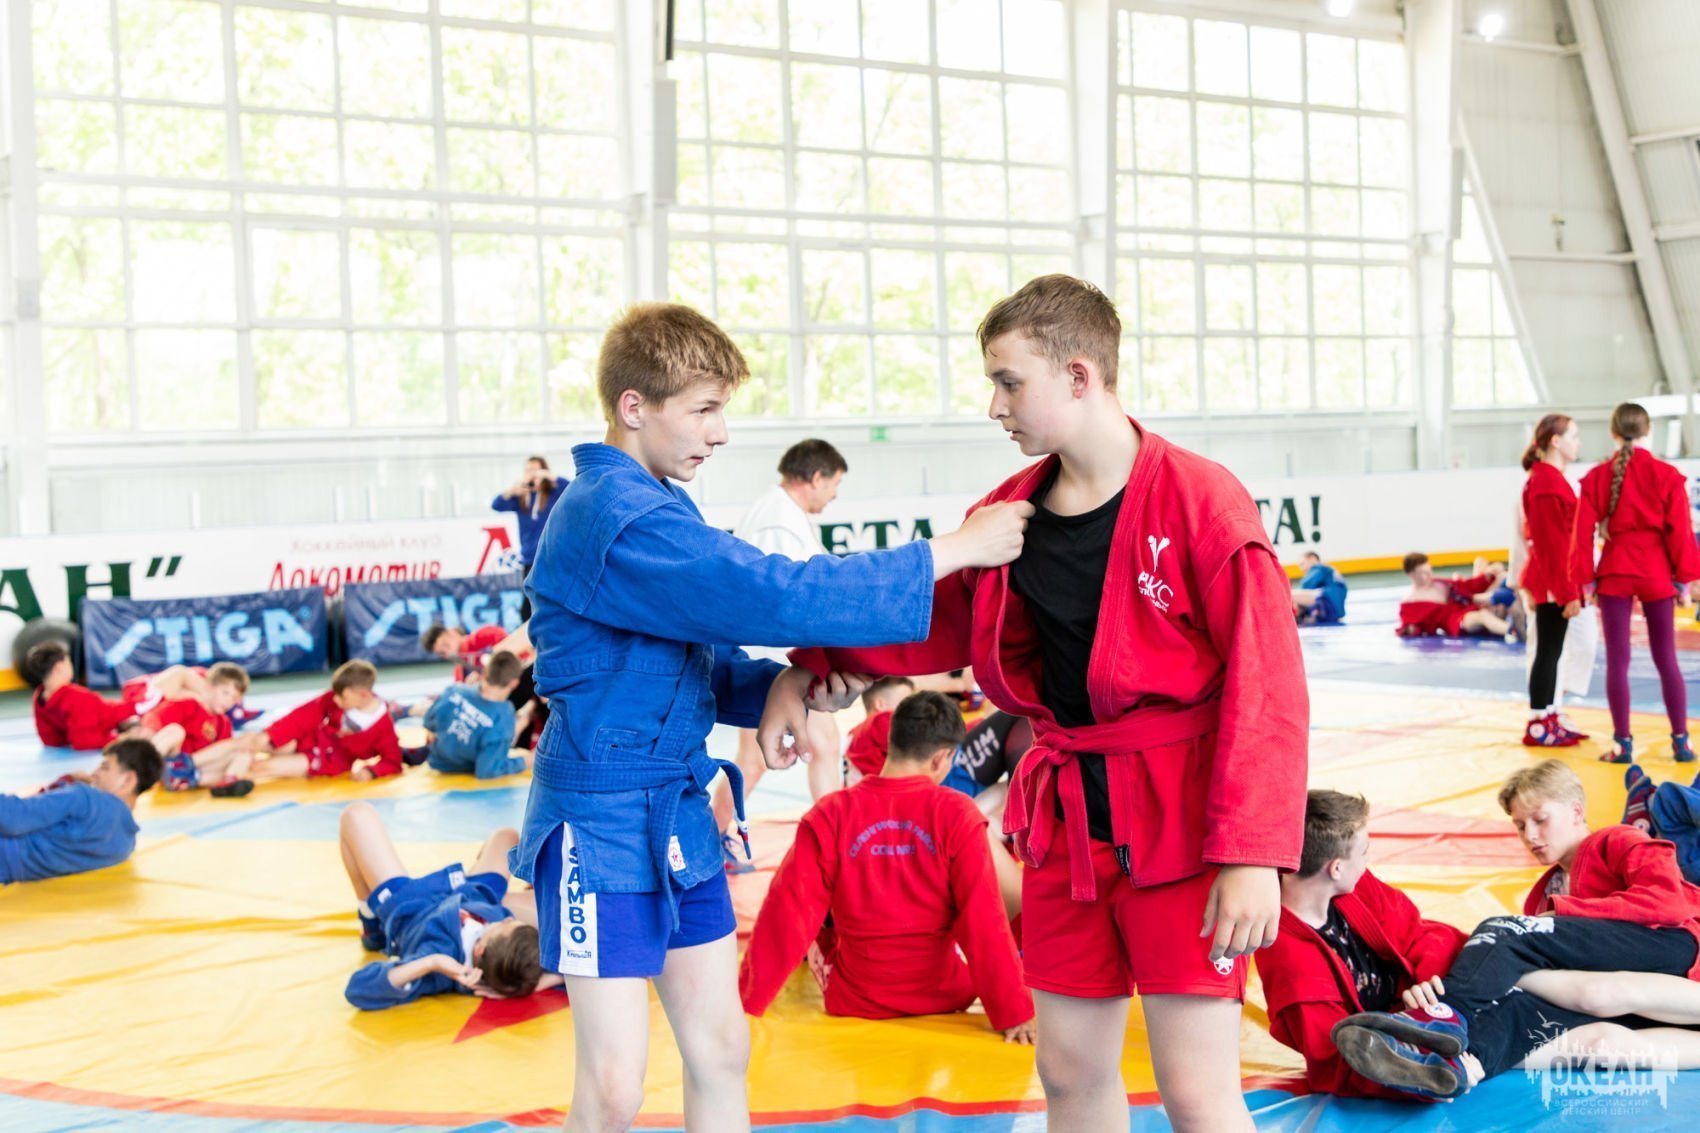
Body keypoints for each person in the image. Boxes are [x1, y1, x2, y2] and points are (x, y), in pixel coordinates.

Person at [791, 275, 1308, 1133]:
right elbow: (927, 619)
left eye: (1008, 381)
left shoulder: (1199, 500)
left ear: (1078, 375)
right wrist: (812, 668)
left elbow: (1270, 687)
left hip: (1181, 823)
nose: (994, 405)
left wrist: (1253, 854)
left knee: (1195, 1090)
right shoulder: (1007, 515)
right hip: (1068, 828)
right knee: (1066, 1075)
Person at [511, 301, 1031, 1133]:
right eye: (704, 410)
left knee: (721, 1048)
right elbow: (770, 592)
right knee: (611, 1086)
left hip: (676, 808)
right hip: (598, 819)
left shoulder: (658, 501)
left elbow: (684, 663)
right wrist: (953, 550)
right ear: (634, 406)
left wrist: (786, 685)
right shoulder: (611, 512)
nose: (720, 434)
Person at [1334, 759, 1700, 1098]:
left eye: (1540, 819)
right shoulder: (1542, 896)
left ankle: (1443, 1015)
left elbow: (1668, 903)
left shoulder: (1619, 840)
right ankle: (1456, 1065)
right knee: (1520, 1008)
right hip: (1636, 986)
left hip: (1675, 944)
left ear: (1576, 812)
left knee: (1504, 931)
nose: (1530, 835)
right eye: (1520, 825)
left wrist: (1560, 915)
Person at [739, 691, 1034, 1041]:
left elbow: (787, 912)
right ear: (942, 758)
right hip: (944, 992)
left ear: (892, 743)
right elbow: (983, 919)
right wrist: (1014, 1012)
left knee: (810, 916)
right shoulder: (958, 813)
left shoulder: (830, 814)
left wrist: (745, 1000)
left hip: (855, 997)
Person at [709, 439, 853, 847]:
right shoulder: (777, 521)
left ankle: (714, 834)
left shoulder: (781, 513)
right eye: (834, 484)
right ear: (817, 477)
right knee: (792, 752)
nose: (834, 494)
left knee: (805, 749)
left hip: (778, 662)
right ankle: (837, 842)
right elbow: (784, 598)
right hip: (776, 663)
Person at [1570, 402, 1700, 764]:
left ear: (1613, 433)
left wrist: (1585, 582)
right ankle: (1681, 743)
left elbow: (1581, 534)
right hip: (1656, 572)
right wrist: (1685, 581)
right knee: (1666, 658)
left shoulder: (1598, 477)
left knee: (1618, 661)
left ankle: (1622, 744)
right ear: (1648, 431)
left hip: (1616, 571)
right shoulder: (1667, 475)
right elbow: (1680, 534)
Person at [338, 801, 556, 1010]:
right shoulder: (513, 954)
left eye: (503, 925)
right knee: (506, 837)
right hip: (476, 893)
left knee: (356, 815)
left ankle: (370, 923)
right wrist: (535, 983)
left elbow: (358, 989)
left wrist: (431, 962)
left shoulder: (441, 957)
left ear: (479, 949)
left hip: (411, 902)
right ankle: (488, 882)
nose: (508, 918)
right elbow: (569, 966)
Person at [174, 660, 405, 793]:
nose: (336, 700)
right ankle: (186, 763)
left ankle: (193, 778)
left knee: (258, 767)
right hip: (309, 739)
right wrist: (269, 735)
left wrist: (371, 771)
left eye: (342, 698)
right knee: (249, 742)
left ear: (363, 694)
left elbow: (392, 760)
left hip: (327, 761)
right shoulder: (334, 698)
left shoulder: (382, 725)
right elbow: (301, 717)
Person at [0, 738, 162, 883]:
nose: (94, 773)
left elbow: (13, 818)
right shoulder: (125, 845)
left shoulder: (85, 798)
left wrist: (67, 789)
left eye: (105, 767)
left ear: (127, 780)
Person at [1519, 414, 1587, 746]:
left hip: (1553, 578)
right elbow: (1551, 545)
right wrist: (1566, 591)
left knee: (1552, 650)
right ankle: (1538, 720)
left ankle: (1548, 715)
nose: (1579, 443)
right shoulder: (1546, 483)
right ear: (1556, 441)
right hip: (1551, 580)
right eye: (1573, 436)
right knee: (1548, 650)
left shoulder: (1550, 479)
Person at [422, 650, 530, 779]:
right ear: (514, 683)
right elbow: (487, 771)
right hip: (459, 773)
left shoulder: (455, 690)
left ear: (485, 672)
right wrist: (526, 761)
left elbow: (428, 722)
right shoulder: (503, 718)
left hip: (435, 760)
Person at [24, 640, 141, 750]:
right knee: (137, 717)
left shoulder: (40, 697)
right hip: (118, 716)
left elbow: (50, 739)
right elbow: (85, 741)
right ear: (59, 667)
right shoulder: (77, 697)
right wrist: (121, 739)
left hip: (112, 714)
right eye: (68, 662)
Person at [137, 662, 249, 759]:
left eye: (234, 698)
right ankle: (147, 764)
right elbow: (154, 718)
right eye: (225, 693)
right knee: (175, 732)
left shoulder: (224, 724)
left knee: (240, 755)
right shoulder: (189, 705)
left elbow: (221, 754)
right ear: (209, 687)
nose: (229, 701)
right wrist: (149, 736)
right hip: (170, 757)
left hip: (195, 767)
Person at [1395, 553, 1511, 638]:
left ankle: (1510, 625)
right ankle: (1512, 631)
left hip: (1470, 605)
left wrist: (1485, 576)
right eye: (1424, 573)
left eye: (1429, 571)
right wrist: (1412, 629)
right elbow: (1413, 628)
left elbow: (1467, 587)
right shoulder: (1410, 602)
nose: (1429, 575)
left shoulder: (1438, 583)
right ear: (1412, 575)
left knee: (1501, 576)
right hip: (1457, 619)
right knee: (1482, 615)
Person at [493, 455, 561, 580]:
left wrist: (548, 475)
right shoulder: (522, 498)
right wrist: (512, 491)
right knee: (529, 591)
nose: (532, 474)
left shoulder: (552, 494)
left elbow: (569, 486)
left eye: (535, 470)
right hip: (529, 558)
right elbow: (497, 505)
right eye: (528, 470)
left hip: (550, 557)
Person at [842, 676, 917, 785]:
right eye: (905, 705)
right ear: (879, 704)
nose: (912, 711)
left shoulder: (853, 732)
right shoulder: (883, 718)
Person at [1291, 551, 1348, 625]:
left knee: (1289, 595)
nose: (1301, 569)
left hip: (1328, 603)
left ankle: (1291, 618)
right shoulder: (1328, 570)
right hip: (1335, 610)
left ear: (1312, 559)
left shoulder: (1319, 567)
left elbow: (1306, 585)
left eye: (1302, 564)